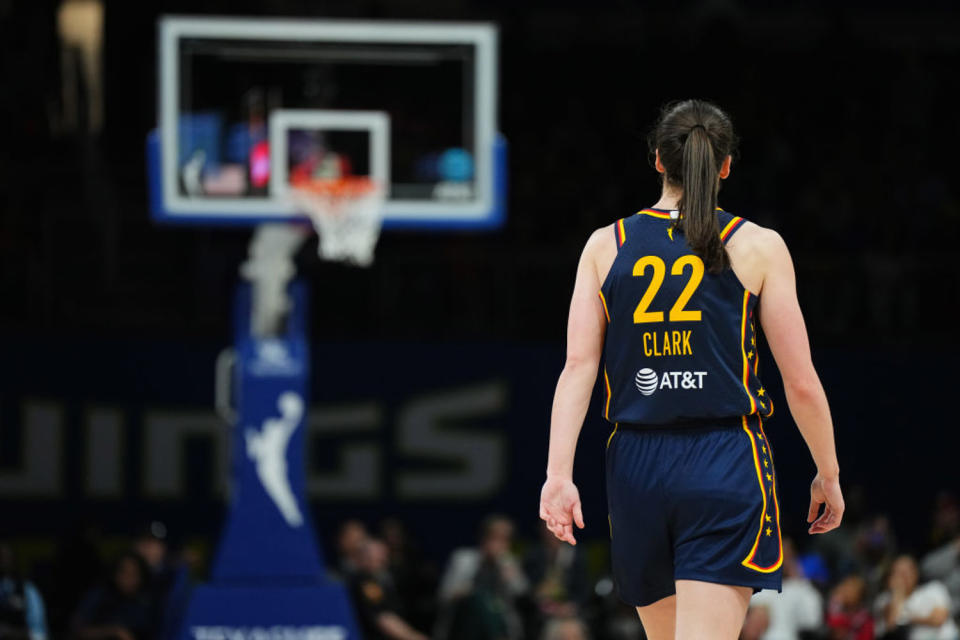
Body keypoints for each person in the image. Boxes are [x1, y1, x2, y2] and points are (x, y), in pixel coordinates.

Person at [539, 99, 845, 640]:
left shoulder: (604, 245)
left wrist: (558, 475)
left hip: (635, 465)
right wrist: (828, 471)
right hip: (724, 459)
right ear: (725, 165)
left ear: (658, 159)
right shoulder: (758, 245)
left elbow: (577, 368)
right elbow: (800, 382)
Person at [348, 538, 428, 640]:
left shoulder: (382, 579)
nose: (384, 559)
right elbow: (383, 618)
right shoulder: (364, 582)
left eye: (384, 554)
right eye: (378, 555)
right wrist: (414, 637)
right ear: (364, 557)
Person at [70, 552, 155, 640]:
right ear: (114, 573)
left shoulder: (148, 601)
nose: (127, 578)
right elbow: (77, 629)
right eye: (123, 572)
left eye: (134, 574)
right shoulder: (100, 595)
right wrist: (114, 631)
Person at [750, 540, 823, 640]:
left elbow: (812, 620)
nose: (782, 561)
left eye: (787, 556)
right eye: (778, 555)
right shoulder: (758, 585)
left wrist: (800, 580)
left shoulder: (799, 588)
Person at [873, 555, 958, 640]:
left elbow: (939, 619)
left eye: (907, 571)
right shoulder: (884, 599)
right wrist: (897, 593)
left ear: (916, 573)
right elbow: (891, 627)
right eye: (898, 572)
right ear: (890, 577)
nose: (904, 577)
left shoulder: (934, 589)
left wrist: (907, 619)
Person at [0, 542, 49, 640]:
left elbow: (39, 633)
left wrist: (11, 632)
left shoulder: (27, 589)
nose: (2, 561)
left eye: (5, 557)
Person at [827, 574, 874, 640]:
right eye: (845, 588)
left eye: (850, 590)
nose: (845, 593)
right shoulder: (837, 611)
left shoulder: (865, 619)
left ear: (859, 595)